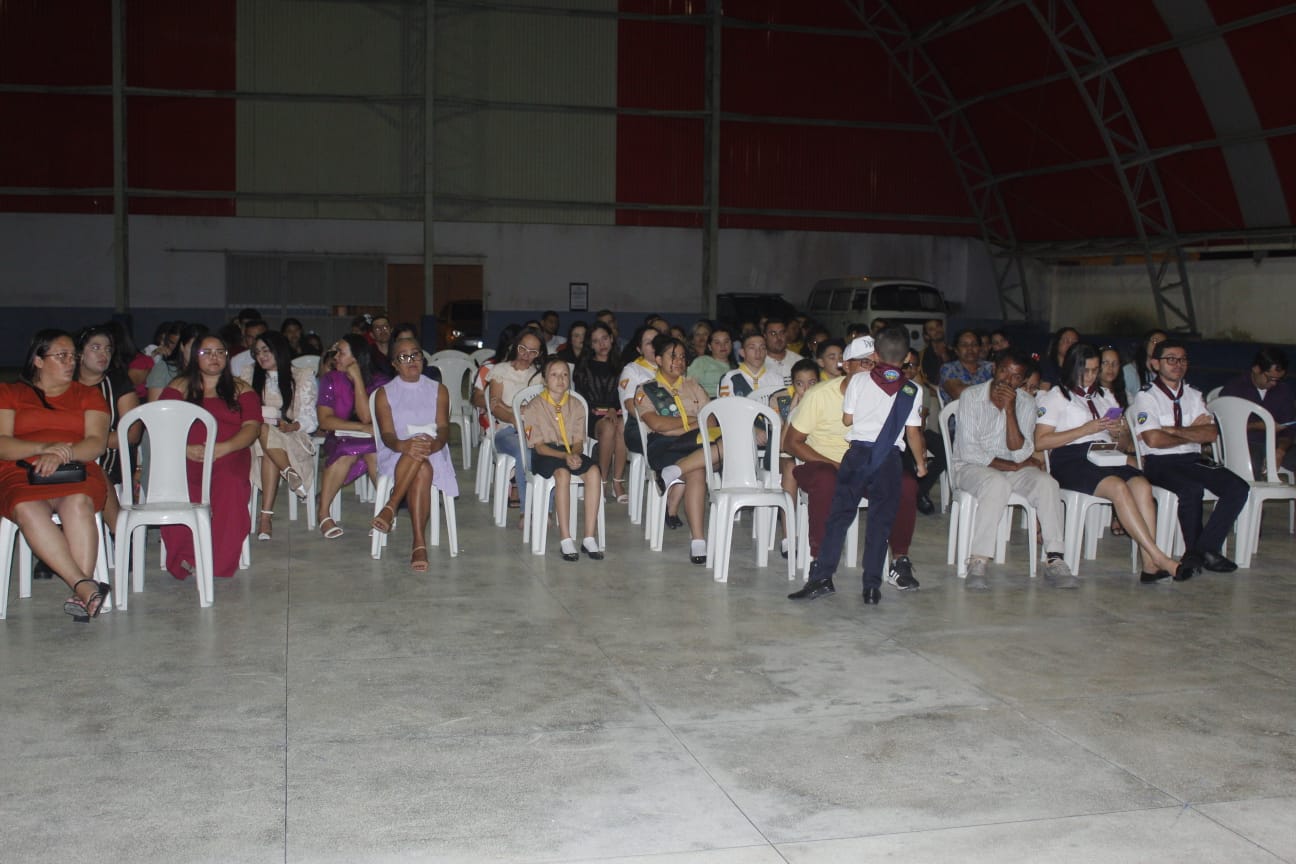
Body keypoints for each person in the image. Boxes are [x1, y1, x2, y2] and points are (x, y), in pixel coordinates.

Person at [788, 329, 927, 604]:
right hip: (873, 459)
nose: (869, 366)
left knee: (844, 516)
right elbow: (913, 433)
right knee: (876, 521)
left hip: (858, 458)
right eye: (862, 362)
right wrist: (921, 463)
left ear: (878, 356)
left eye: (871, 361)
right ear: (846, 366)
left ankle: (892, 562)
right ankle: (865, 585)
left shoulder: (861, 383)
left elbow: (848, 419)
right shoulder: (911, 389)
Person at [1035, 343, 1189, 583]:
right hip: (1071, 458)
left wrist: (1119, 432)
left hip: (1105, 454)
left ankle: (1149, 566)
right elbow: (1041, 441)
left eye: (1095, 370)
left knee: (1142, 485)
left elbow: (1121, 443)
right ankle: (1159, 557)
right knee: (1118, 487)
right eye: (1085, 370)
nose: (1090, 376)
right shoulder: (1057, 396)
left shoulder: (1105, 396)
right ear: (1072, 368)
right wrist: (1085, 429)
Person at [0, 330, 112, 620]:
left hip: (75, 470)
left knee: (78, 502)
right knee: (26, 507)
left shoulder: (88, 395)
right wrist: (43, 448)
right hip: (22, 472)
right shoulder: (10, 393)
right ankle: (84, 587)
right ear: (38, 360)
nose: (71, 362)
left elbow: (96, 443)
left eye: (73, 356)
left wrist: (62, 454)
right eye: (61, 356)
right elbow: (2, 443)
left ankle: (82, 593)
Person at [951, 351, 1076, 589]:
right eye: (1003, 372)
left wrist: (1010, 411)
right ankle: (978, 560)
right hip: (970, 467)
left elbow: (1019, 452)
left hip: (1010, 466)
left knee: (1047, 483)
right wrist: (1015, 465)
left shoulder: (1026, 402)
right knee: (996, 483)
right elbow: (970, 452)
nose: (1007, 380)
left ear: (1023, 380)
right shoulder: (971, 396)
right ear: (994, 369)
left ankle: (1055, 558)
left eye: (1016, 377)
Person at [1131, 340, 1248, 576]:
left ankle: (1202, 550)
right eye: (1171, 359)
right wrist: (1191, 432)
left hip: (1193, 459)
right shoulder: (1147, 397)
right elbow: (1153, 440)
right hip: (1160, 462)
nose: (1178, 364)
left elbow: (1211, 434)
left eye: (1182, 359)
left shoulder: (1194, 395)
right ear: (1155, 364)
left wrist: (1173, 430)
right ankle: (1202, 553)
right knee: (1190, 489)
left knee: (1238, 487)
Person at [160, 335, 262, 579]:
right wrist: (183, 448)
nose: (214, 357)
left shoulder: (241, 389)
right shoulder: (179, 387)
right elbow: (161, 424)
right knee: (177, 489)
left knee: (230, 485)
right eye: (206, 352)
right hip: (186, 455)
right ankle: (186, 557)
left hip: (229, 454)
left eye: (220, 352)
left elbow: (252, 428)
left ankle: (217, 562)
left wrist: (224, 448)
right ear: (194, 356)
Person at [370, 337, 458, 572]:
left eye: (415, 354)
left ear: (422, 357)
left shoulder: (439, 389)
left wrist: (434, 444)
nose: (411, 360)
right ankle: (419, 541)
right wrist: (403, 445)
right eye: (403, 357)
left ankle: (391, 506)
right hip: (396, 452)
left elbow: (443, 428)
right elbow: (387, 435)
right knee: (420, 464)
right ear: (394, 364)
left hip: (434, 450)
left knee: (422, 459)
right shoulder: (384, 393)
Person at [635, 335, 718, 565]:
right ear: (658, 359)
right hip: (664, 445)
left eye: (682, 357)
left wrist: (684, 426)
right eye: (673, 356)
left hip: (696, 442)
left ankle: (672, 473)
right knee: (699, 468)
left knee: (721, 446)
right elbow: (657, 424)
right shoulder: (647, 389)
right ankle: (698, 540)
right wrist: (693, 422)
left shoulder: (693, 386)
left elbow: (711, 421)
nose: (679, 361)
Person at [522, 357, 604, 562]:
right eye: (554, 375)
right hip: (546, 454)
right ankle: (566, 539)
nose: (560, 379)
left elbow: (578, 441)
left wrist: (574, 454)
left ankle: (588, 537)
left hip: (569, 451)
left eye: (565, 374)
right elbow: (539, 447)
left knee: (594, 471)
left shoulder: (576, 405)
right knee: (562, 473)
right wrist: (565, 457)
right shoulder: (534, 406)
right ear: (544, 379)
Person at [241, 330, 318, 541]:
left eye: (266, 350)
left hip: (292, 436)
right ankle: (288, 472)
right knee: (264, 432)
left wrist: (292, 426)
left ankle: (265, 519)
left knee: (268, 443)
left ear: (279, 350)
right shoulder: (249, 375)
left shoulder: (301, 375)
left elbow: (311, 419)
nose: (261, 356)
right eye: (257, 352)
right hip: (256, 438)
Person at [316, 334, 388, 539]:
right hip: (340, 437)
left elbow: (367, 416)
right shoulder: (330, 379)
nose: (335, 357)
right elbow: (325, 421)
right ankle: (324, 513)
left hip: (373, 439)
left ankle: (384, 512)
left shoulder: (379, 381)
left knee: (374, 453)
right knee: (346, 452)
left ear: (356, 358)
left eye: (341, 353)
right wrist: (360, 428)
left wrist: (357, 380)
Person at [76, 324, 140, 536]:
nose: (103, 354)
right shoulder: (66, 384)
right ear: (79, 353)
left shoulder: (118, 383)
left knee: (91, 467)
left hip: (111, 460)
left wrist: (89, 443)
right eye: (96, 348)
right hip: (69, 456)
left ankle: (120, 535)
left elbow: (132, 435)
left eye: (108, 349)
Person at [487, 328, 546, 517]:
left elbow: (537, 410)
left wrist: (509, 407)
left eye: (533, 352)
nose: (526, 355)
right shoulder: (500, 370)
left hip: (532, 429)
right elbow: (495, 407)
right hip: (505, 430)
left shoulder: (539, 376)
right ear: (515, 346)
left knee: (548, 450)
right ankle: (526, 510)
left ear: (539, 354)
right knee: (525, 451)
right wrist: (514, 416)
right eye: (523, 349)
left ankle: (546, 509)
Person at [573, 322, 627, 504]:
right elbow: (581, 399)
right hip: (592, 416)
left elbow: (624, 393)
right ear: (591, 345)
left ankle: (617, 481)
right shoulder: (584, 366)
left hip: (616, 412)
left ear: (611, 339)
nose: (602, 344)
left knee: (622, 426)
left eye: (604, 338)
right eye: (596, 341)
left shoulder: (622, 365)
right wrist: (605, 409)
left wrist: (613, 407)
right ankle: (602, 482)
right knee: (609, 427)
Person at [1219, 347, 1296, 473]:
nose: (1274, 384)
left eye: (1278, 379)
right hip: (1245, 444)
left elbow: (1289, 431)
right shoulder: (1234, 389)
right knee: (1252, 463)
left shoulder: (1283, 391)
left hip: (1275, 444)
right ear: (1256, 369)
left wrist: (1281, 450)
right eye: (1270, 378)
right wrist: (1258, 426)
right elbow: (1223, 427)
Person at [901, 348, 945, 515]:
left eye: (913, 365)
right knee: (905, 449)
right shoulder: (892, 386)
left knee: (945, 450)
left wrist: (921, 439)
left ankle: (919, 490)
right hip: (898, 434)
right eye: (905, 365)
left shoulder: (921, 390)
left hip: (918, 429)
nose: (909, 369)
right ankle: (914, 492)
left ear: (918, 368)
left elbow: (922, 419)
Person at [618, 324, 660, 460]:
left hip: (669, 422)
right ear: (639, 349)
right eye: (648, 343)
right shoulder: (632, 370)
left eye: (657, 340)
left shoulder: (672, 366)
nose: (654, 345)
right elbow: (630, 405)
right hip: (640, 426)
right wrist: (657, 421)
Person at [147, 322, 207, 402]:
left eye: (204, 350)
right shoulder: (163, 369)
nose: (196, 353)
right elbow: (156, 406)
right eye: (193, 348)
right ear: (182, 346)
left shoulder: (210, 372)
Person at [939, 329, 994, 402]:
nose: (970, 348)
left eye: (974, 344)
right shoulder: (948, 368)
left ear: (979, 348)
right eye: (964, 345)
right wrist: (991, 390)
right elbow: (960, 394)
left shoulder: (990, 367)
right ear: (956, 350)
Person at [720, 332, 774, 398]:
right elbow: (725, 404)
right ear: (742, 352)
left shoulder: (776, 379)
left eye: (762, 348)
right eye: (752, 348)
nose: (758, 352)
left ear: (766, 352)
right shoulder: (730, 378)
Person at [687, 326, 735, 397]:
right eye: (717, 343)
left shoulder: (738, 367)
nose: (723, 346)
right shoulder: (702, 362)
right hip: (708, 400)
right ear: (709, 346)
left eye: (726, 342)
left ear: (732, 344)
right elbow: (689, 386)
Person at [762, 317, 798, 384]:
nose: (778, 337)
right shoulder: (757, 363)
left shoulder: (798, 361)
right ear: (765, 336)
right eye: (773, 333)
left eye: (782, 333)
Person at [919, 318, 952, 384]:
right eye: (931, 329)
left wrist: (944, 356)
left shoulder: (955, 353)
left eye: (938, 326)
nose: (937, 330)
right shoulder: (922, 356)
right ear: (926, 336)